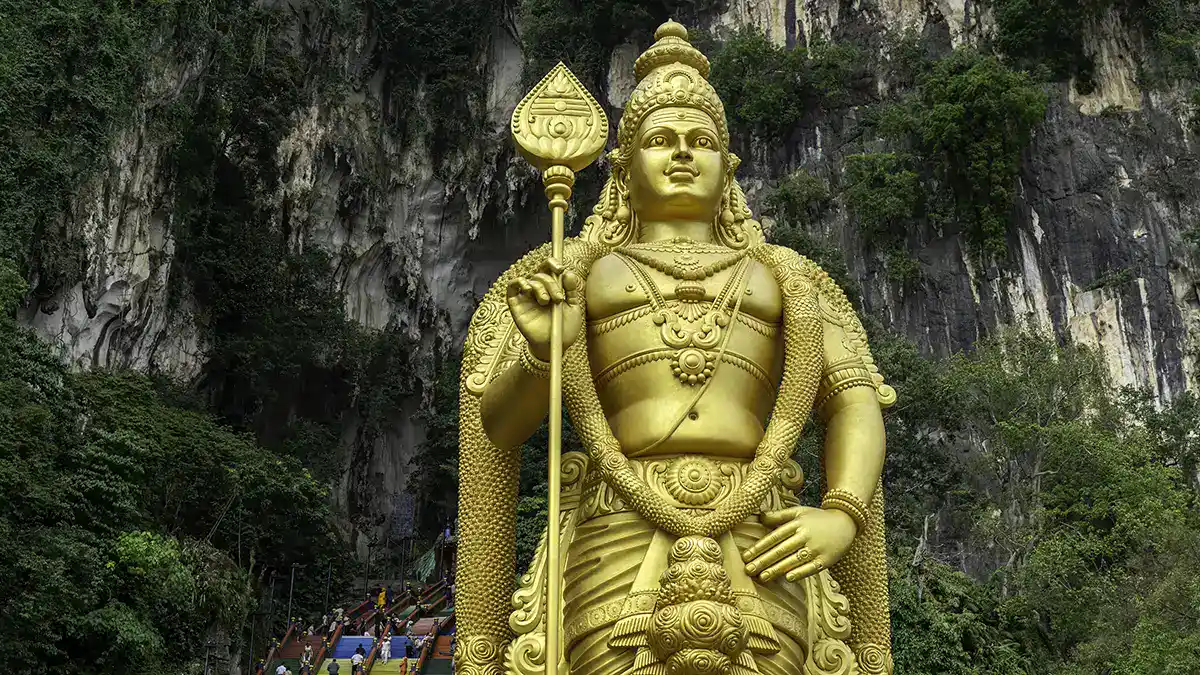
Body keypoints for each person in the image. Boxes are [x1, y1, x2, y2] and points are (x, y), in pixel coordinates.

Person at [455, 19, 894, 675]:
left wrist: (843, 510)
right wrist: (542, 354)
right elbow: (496, 425)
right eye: (661, 140)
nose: (683, 153)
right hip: (618, 537)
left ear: (729, 165)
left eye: (702, 141)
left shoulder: (788, 279)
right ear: (625, 165)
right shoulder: (569, 272)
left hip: (761, 538)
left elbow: (854, 400)